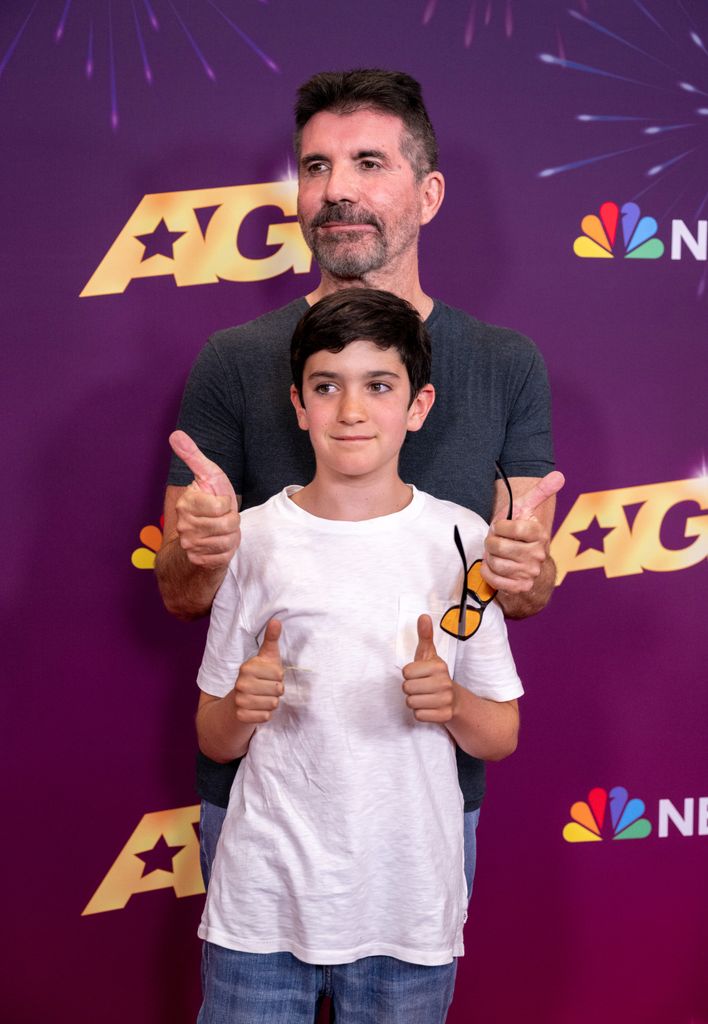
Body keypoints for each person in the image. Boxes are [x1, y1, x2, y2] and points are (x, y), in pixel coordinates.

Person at [155, 69, 563, 894]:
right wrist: (198, 551)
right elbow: (181, 591)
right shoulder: (232, 362)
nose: (337, 190)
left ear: (430, 192)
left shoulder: (505, 365)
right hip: (258, 799)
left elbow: (518, 590)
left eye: (369, 163)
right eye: (315, 167)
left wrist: (529, 571)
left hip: (424, 795)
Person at [195, 289, 523, 1023]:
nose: (351, 411)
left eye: (379, 386)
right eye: (326, 386)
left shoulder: (464, 538)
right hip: (261, 906)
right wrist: (241, 711)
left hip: (407, 909)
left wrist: (455, 704)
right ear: (298, 403)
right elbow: (211, 734)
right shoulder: (253, 537)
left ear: (419, 404)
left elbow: (501, 732)